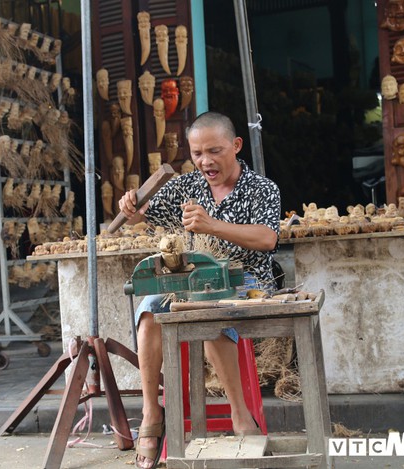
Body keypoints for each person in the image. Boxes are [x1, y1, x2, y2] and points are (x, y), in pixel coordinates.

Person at [118, 112, 281, 469]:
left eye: (214, 151)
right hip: (190, 280)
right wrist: (132, 207)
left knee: (205, 309)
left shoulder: (262, 188)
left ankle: (240, 413)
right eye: (197, 153)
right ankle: (151, 412)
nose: (205, 161)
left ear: (236, 146)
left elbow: (268, 239)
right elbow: (146, 214)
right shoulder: (185, 187)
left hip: (245, 281)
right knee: (148, 312)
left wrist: (213, 225)